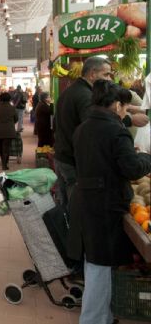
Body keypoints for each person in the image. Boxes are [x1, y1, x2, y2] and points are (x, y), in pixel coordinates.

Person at [68, 80, 151, 324]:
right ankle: (93, 319)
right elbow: (132, 168)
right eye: (125, 107)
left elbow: (100, 160)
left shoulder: (83, 128)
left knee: (95, 265)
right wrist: (146, 157)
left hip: (88, 202)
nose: (125, 112)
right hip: (105, 206)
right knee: (100, 268)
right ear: (116, 106)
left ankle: (101, 317)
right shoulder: (116, 130)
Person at [54, 56, 114, 207]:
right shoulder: (86, 96)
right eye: (106, 74)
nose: (109, 80)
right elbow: (92, 128)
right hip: (73, 161)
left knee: (65, 205)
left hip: (62, 155)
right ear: (92, 74)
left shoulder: (69, 91)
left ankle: (66, 230)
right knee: (76, 209)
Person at [0, 92, 18, 170]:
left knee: (1, 148)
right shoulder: (12, 108)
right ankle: (5, 164)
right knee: (6, 148)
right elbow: (16, 119)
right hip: (9, 130)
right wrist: (10, 123)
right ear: (9, 99)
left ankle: (3, 162)